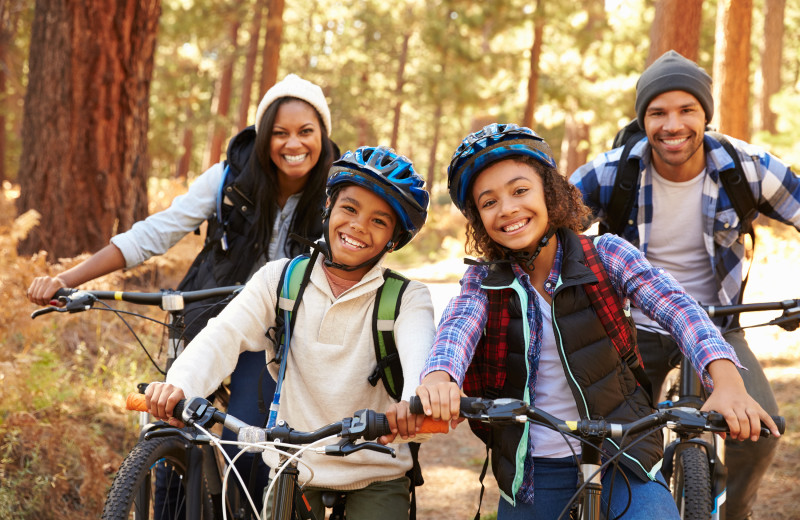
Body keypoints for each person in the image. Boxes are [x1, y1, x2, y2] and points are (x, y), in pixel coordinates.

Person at [414, 124, 780, 520]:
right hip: (535, 469)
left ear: (549, 193)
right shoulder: (483, 282)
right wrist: (440, 377)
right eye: (489, 202)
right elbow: (457, 329)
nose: (507, 209)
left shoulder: (606, 254)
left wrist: (725, 379)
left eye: (520, 191)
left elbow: (679, 308)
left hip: (624, 454)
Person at [26, 73, 338, 506]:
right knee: (165, 424)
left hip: (275, 339)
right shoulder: (228, 178)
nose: (293, 144)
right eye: (280, 132)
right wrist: (66, 279)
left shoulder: (336, 192)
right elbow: (153, 233)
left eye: (306, 132)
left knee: (246, 447)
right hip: (206, 316)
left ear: (322, 135)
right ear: (264, 135)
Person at [145, 145, 434, 520]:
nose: (359, 226)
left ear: (394, 239)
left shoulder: (407, 299)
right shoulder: (280, 279)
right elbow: (224, 334)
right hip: (293, 468)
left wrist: (412, 406)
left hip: (375, 471)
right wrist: (180, 385)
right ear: (328, 207)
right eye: (349, 208)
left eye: (380, 221)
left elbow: (420, 357)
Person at [570, 50, 800, 520]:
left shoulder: (747, 166)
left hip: (720, 325)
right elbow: (550, 232)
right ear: (643, 119)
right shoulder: (611, 172)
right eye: (657, 112)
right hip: (634, 326)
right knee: (620, 443)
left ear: (705, 114)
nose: (672, 125)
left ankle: (735, 511)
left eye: (686, 110)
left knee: (762, 432)